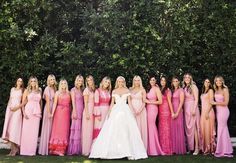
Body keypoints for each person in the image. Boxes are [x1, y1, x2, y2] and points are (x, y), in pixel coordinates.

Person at [89, 76, 147, 160]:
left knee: (125, 130)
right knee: (113, 130)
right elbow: (112, 103)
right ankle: (113, 151)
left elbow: (129, 102)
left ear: (124, 82)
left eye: (122, 82)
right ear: (117, 82)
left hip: (125, 110)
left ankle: (126, 151)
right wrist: (109, 112)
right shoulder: (114, 91)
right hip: (116, 110)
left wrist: (132, 112)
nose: (120, 83)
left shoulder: (127, 90)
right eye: (119, 82)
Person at [2, 78, 24, 156]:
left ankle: (15, 149)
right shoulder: (12, 89)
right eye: (18, 80)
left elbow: (24, 102)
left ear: (22, 83)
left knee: (14, 130)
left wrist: (16, 108)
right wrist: (8, 109)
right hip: (10, 110)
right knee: (9, 129)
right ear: (16, 81)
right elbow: (10, 99)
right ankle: (12, 150)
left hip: (17, 111)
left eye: (21, 81)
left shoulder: (23, 90)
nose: (19, 82)